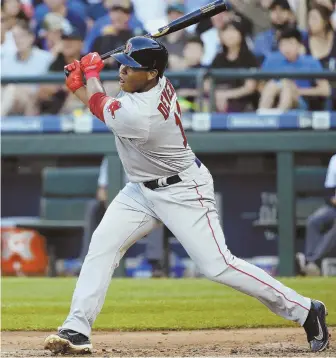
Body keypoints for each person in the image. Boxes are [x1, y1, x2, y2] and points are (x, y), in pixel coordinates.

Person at [44, 36, 329, 355]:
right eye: (121, 65)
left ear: (152, 74)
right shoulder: (151, 84)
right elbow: (105, 107)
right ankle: (77, 328)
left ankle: (306, 310)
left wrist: (89, 77)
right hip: (140, 189)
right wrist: (82, 85)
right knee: (103, 246)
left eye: (131, 67)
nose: (122, 72)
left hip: (182, 190)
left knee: (219, 265)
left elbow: (103, 107)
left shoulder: (143, 113)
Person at [79, 157, 165, 277]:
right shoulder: (112, 157)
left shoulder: (148, 152)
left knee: (156, 205)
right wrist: (115, 207)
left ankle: (155, 264)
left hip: (144, 205)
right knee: (93, 207)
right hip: (115, 205)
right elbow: (102, 192)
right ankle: (86, 263)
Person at [258, 27, 330, 111]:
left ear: (299, 45)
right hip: (275, 98)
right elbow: (260, 85)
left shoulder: (310, 62)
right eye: (283, 44)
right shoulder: (271, 59)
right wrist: (277, 90)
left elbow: (325, 90)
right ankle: (262, 112)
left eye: (291, 43)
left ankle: (280, 113)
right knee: (272, 84)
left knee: (286, 84)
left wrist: (298, 91)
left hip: (300, 101)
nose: (287, 48)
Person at [1, 20, 54, 116]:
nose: (18, 40)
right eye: (14, 37)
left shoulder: (45, 58)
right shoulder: (6, 59)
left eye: (21, 36)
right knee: (10, 89)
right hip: (9, 100)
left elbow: (50, 87)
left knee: (12, 89)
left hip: (34, 100)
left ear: (31, 37)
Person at [296, 154, 336, 276]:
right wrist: (332, 199)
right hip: (333, 208)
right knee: (313, 221)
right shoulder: (335, 159)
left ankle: (311, 262)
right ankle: (312, 263)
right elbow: (329, 191)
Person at [210, 20, 259, 112]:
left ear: (241, 34)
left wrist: (225, 95)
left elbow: (250, 87)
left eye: (233, 31)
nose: (229, 35)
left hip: (243, 102)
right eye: (226, 31)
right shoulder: (218, 58)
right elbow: (207, 82)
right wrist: (217, 95)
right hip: (218, 98)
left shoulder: (249, 58)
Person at [38, 26, 84, 114]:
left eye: (71, 40)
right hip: (56, 104)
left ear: (81, 44)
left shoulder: (86, 60)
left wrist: (66, 87)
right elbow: (44, 87)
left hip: (81, 108)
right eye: (65, 40)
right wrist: (61, 88)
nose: (67, 44)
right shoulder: (57, 62)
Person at [304, 5, 336, 109]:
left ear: (326, 21)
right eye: (309, 18)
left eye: (314, 18)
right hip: (313, 91)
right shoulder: (304, 43)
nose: (310, 22)